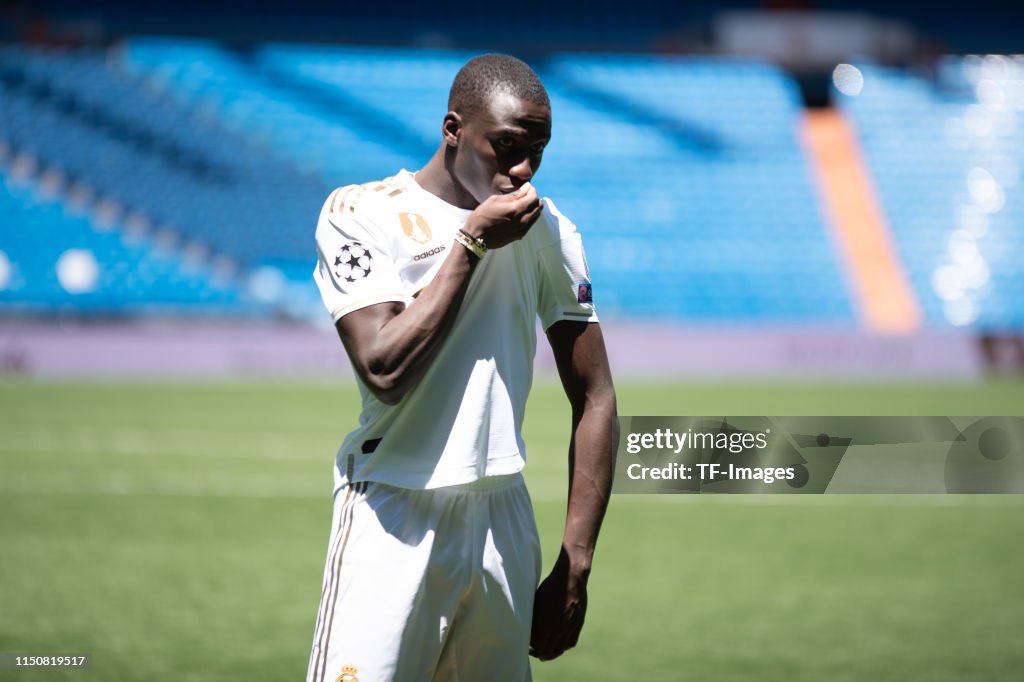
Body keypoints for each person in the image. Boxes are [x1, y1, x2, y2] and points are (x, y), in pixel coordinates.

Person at [306, 53, 618, 682]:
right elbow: (384, 369)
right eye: (505, 147)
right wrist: (471, 243)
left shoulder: (549, 230)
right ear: (453, 130)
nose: (523, 169)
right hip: (394, 509)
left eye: (537, 150)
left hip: (504, 520)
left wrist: (575, 560)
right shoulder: (360, 213)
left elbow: (596, 396)